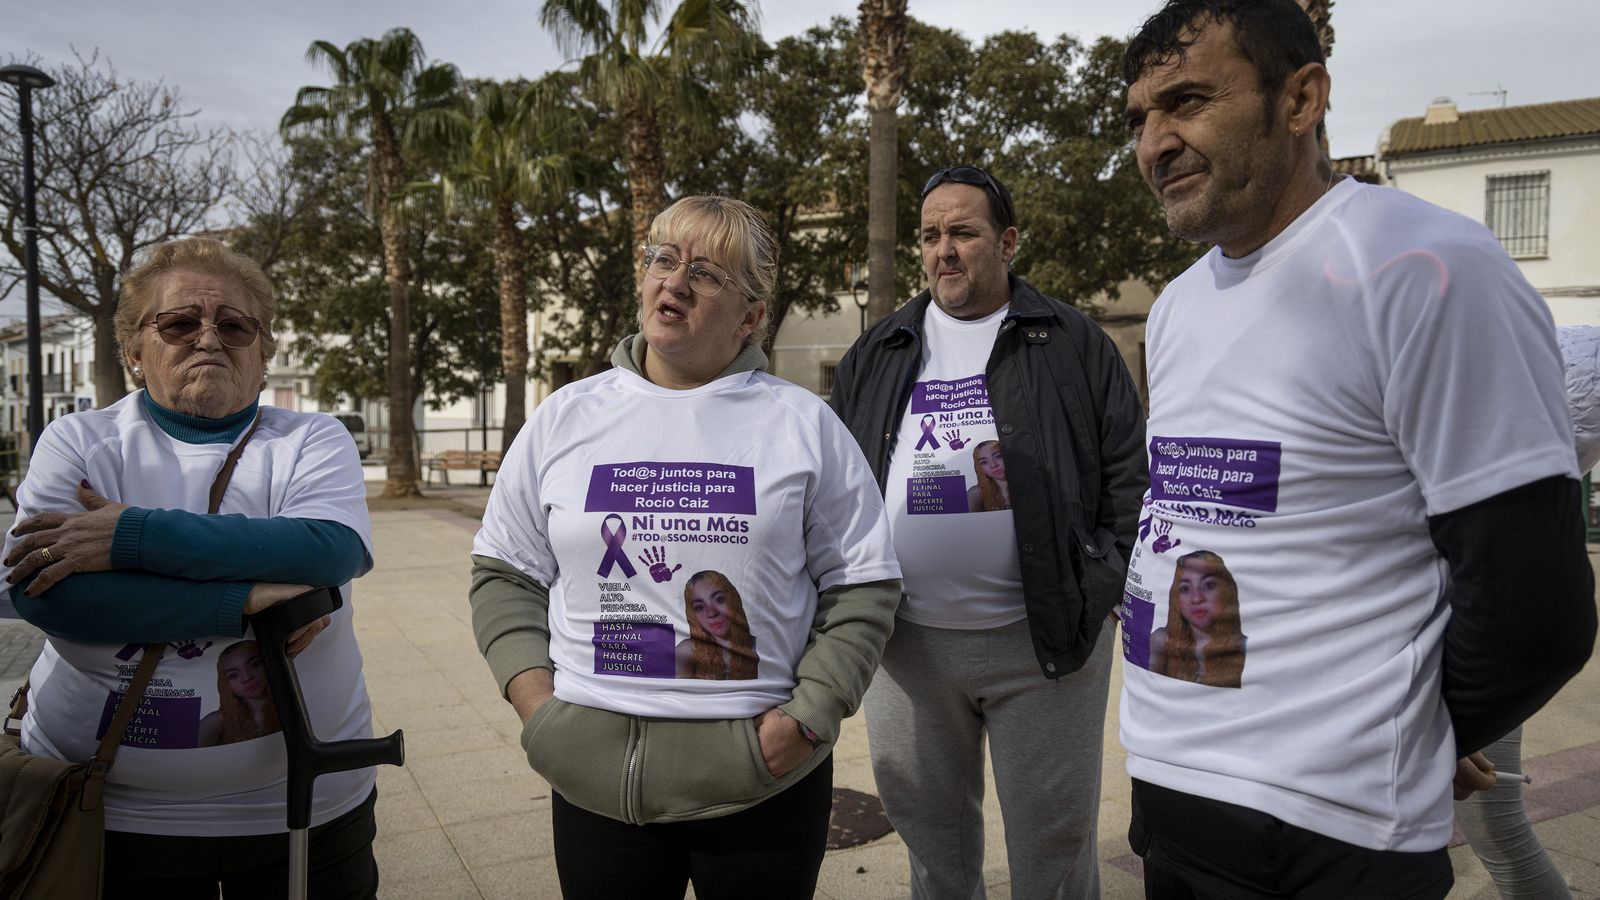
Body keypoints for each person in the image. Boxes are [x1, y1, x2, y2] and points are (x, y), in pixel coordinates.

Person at [1118, 2, 1596, 897]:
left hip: (1327, 835)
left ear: (1301, 100)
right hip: (1170, 800)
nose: (1155, 144)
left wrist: (1416, 734)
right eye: (1140, 117)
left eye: (1186, 101)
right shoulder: (1179, 305)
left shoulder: (1425, 267)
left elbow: (1537, 610)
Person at [470, 195, 901, 900]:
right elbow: (503, 572)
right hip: (592, 779)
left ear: (751, 316)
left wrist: (805, 718)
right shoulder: (566, 417)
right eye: (662, 260)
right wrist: (538, 709)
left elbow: (864, 586)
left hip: (760, 782)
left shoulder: (802, 424)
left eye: (705, 273)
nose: (673, 281)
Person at [0, 237, 380, 898]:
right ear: (134, 352)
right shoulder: (80, 442)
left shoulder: (313, 440)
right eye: (179, 322)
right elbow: (44, 595)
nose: (209, 337)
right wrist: (243, 597)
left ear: (264, 354)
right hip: (109, 808)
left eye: (235, 325)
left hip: (300, 806)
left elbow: (327, 549)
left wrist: (129, 536)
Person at [828, 164, 1147, 899]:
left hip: (1044, 644)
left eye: (963, 232)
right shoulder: (880, 350)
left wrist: (1101, 584)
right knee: (933, 847)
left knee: (1055, 845)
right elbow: (838, 485)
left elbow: (1128, 474)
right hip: (907, 649)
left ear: (1007, 243)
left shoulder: (1071, 340)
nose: (945, 249)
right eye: (931, 235)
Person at [1148, 550, 1244, 688]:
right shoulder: (1162, 641)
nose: (1197, 598)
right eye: (1185, 588)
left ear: (1226, 591)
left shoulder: (1245, 646)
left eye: (1209, 585)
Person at [675, 570, 760, 680]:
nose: (711, 613)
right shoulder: (687, 651)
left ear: (733, 601)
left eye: (719, 600)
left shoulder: (760, 646)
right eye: (699, 607)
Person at [199, 640, 281, 747]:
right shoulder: (215, 721)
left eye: (255, 664)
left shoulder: (294, 707)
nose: (247, 678)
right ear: (225, 683)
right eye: (234, 675)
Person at [966, 439, 1010, 512]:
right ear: (979, 467)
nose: (993, 465)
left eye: (998, 456)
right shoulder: (976, 493)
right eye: (984, 462)